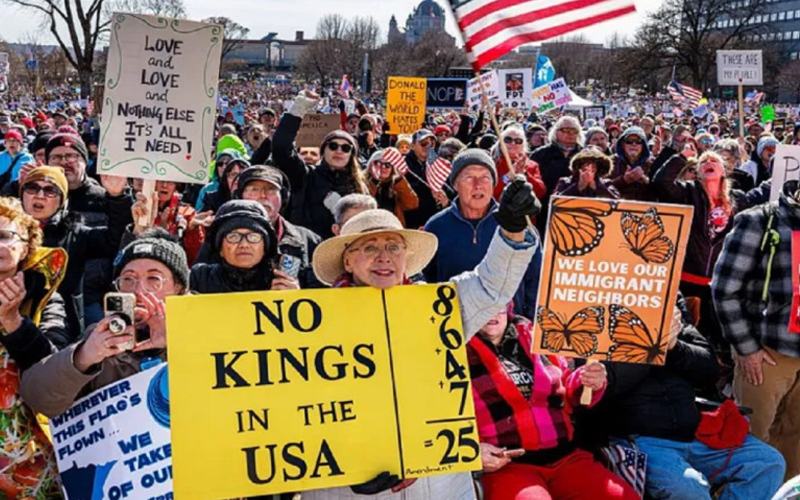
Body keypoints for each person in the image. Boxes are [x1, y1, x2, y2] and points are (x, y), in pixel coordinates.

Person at [304, 176, 540, 499]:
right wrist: (349, 462)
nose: (384, 256)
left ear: (405, 257)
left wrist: (512, 231)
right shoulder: (311, 324)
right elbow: (300, 409)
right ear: (347, 260)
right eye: (370, 247)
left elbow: (489, 286)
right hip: (349, 489)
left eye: (393, 247)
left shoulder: (436, 308)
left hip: (439, 486)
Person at [577, 298, 785, 500]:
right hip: (638, 439)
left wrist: (675, 347)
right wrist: (652, 346)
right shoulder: (588, 312)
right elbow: (606, 387)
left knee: (767, 462)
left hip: (694, 431)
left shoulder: (664, 302)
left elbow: (709, 370)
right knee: (690, 488)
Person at [470, 309, 638, 500]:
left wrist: (588, 381)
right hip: (508, 466)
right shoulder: (450, 350)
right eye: (485, 305)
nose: (492, 313)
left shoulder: (536, 333)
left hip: (566, 457)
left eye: (499, 305)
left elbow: (568, 388)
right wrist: (472, 451)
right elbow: (438, 419)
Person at [18, 230, 189, 417]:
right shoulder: (102, 337)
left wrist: (174, 347)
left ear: (178, 287)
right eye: (128, 279)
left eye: (153, 279)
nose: (139, 290)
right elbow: (40, 400)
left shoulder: (205, 331)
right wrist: (82, 358)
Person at [712, 180, 800, 480]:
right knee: (751, 443)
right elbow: (724, 290)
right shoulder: (760, 221)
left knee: (796, 445)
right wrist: (747, 349)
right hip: (767, 356)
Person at [424, 149, 542, 320]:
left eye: (485, 177)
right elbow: (428, 282)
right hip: (456, 328)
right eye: (469, 177)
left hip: (506, 328)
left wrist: (528, 322)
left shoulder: (518, 224)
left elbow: (536, 279)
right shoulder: (436, 226)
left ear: (494, 183)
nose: (478, 184)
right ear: (455, 184)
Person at [21, 166, 131, 343]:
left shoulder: (75, 234)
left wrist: (117, 198)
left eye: (50, 190)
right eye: (32, 188)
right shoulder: (6, 231)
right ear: (22, 195)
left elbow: (115, 240)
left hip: (62, 330)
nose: (39, 195)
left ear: (61, 201)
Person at [271, 92, 369, 239]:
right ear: (323, 151)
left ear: (351, 155)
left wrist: (341, 211)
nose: (339, 151)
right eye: (333, 146)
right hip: (306, 250)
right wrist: (297, 110)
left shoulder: (359, 186)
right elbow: (281, 147)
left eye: (346, 148)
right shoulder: (305, 175)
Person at [234, 165, 323, 289]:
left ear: (283, 197)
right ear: (240, 197)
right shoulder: (221, 239)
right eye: (254, 189)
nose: (263, 195)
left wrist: (300, 292)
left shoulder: (309, 240)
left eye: (271, 189)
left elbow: (324, 293)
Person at [190, 200, 298, 293]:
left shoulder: (281, 281)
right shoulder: (199, 279)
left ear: (265, 247)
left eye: (253, 237)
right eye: (233, 237)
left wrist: (293, 298)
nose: (244, 245)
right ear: (220, 249)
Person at [129, 180, 211, 265]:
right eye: (161, 181)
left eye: (170, 182)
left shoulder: (187, 213)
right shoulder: (140, 209)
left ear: (176, 186)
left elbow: (195, 258)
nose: (164, 185)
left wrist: (193, 229)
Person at [403, 129, 454, 230]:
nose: (428, 147)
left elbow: (453, 193)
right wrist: (426, 187)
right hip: (413, 223)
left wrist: (446, 202)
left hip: (437, 222)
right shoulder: (403, 165)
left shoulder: (440, 165)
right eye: (423, 143)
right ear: (412, 146)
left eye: (431, 144)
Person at [366, 149, 419, 228]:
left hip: (393, 229)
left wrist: (400, 180)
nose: (383, 167)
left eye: (387, 165)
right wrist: (374, 182)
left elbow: (412, 204)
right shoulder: (362, 182)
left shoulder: (397, 184)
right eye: (378, 163)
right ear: (370, 166)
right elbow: (364, 203)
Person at [493, 125, 546, 202]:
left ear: (523, 145)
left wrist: (524, 174)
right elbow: (489, 191)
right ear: (500, 142)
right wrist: (507, 177)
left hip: (523, 211)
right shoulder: (492, 163)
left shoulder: (532, 165)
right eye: (508, 140)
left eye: (518, 141)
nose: (513, 143)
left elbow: (540, 192)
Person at [554, 148, 619, 199]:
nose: (589, 168)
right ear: (579, 166)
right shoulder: (564, 182)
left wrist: (596, 187)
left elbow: (617, 202)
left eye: (593, 165)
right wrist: (578, 187)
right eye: (586, 163)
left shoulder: (606, 184)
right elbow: (555, 202)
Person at [610, 126, 654, 201]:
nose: (634, 144)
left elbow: (662, 189)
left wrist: (645, 180)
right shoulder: (611, 162)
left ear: (643, 145)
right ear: (623, 145)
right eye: (629, 141)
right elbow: (601, 187)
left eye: (638, 141)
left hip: (645, 209)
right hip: (618, 208)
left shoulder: (652, 163)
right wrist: (623, 180)